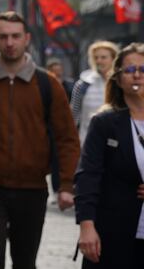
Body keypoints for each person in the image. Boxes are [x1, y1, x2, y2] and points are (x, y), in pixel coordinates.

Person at [0, 11, 81, 269]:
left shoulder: (47, 83)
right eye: (4, 36)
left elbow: (66, 138)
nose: (10, 42)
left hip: (32, 187)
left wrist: (67, 184)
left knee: (25, 261)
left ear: (27, 39)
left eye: (16, 36)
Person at [74, 42, 144, 268]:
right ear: (118, 78)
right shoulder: (104, 123)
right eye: (130, 70)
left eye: (143, 70)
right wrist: (86, 225)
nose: (137, 75)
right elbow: (88, 175)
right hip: (115, 230)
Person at [71, 41, 119, 143]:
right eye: (96, 57)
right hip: (87, 141)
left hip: (117, 142)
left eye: (103, 57)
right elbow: (73, 116)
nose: (99, 61)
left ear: (114, 58)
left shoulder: (122, 83)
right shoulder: (82, 84)